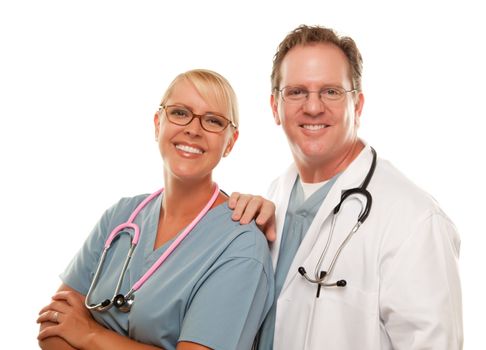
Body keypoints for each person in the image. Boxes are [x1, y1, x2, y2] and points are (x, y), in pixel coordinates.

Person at [229, 25, 463, 349]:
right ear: (274, 107)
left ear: (358, 105)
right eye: (297, 91)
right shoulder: (274, 197)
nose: (313, 107)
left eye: (331, 91)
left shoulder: (414, 220)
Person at [36, 69, 274, 350]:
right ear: (158, 122)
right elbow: (52, 328)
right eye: (180, 113)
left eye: (213, 120)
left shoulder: (241, 246)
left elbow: (73, 329)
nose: (193, 129)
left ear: (230, 142)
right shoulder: (121, 216)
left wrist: (89, 334)